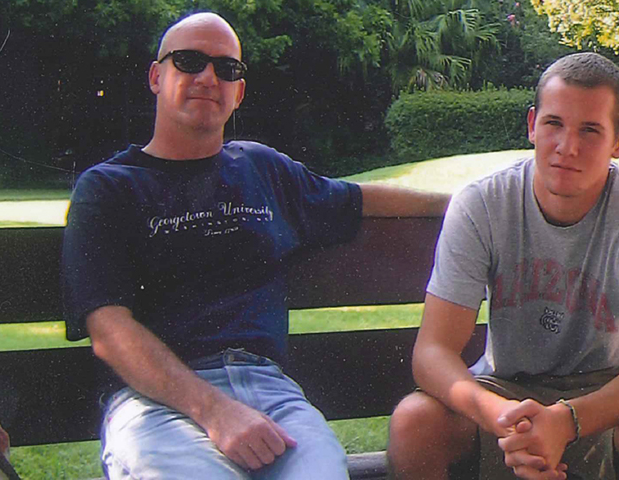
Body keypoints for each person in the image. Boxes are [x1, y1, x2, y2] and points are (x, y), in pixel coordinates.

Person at [61, 12, 449, 480]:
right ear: (156, 76)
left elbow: (359, 198)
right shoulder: (108, 189)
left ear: (239, 91)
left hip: (272, 397)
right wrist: (215, 412)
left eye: (228, 69)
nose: (209, 77)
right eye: (189, 61)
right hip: (156, 403)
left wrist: (465, 204)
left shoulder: (261, 169)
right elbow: (108, 331)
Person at [387, 52, 619, 480]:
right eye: (554, 123)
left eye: (590, 130)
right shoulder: (482, 204)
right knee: (413, 420)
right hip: (505, 389)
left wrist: (565, 420)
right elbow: (432, 351)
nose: (567, 146)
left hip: (609, 393)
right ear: (533, 124)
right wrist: (502, 417)